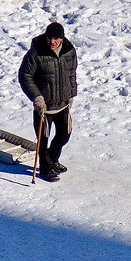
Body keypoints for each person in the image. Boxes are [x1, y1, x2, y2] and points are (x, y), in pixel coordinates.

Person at [18, 21, 77, 182]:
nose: (52, 42)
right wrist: (37, 98)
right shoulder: (36, 52)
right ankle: (45, 169)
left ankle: (53, 160)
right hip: (44, 106)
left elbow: (71, 73)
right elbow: (25, 76)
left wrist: (71, 94)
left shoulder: (69, 51)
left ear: (62, 39)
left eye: (56, 39)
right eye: (50, 38)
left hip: (62, 103)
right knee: (42, 140)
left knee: (64, 135)